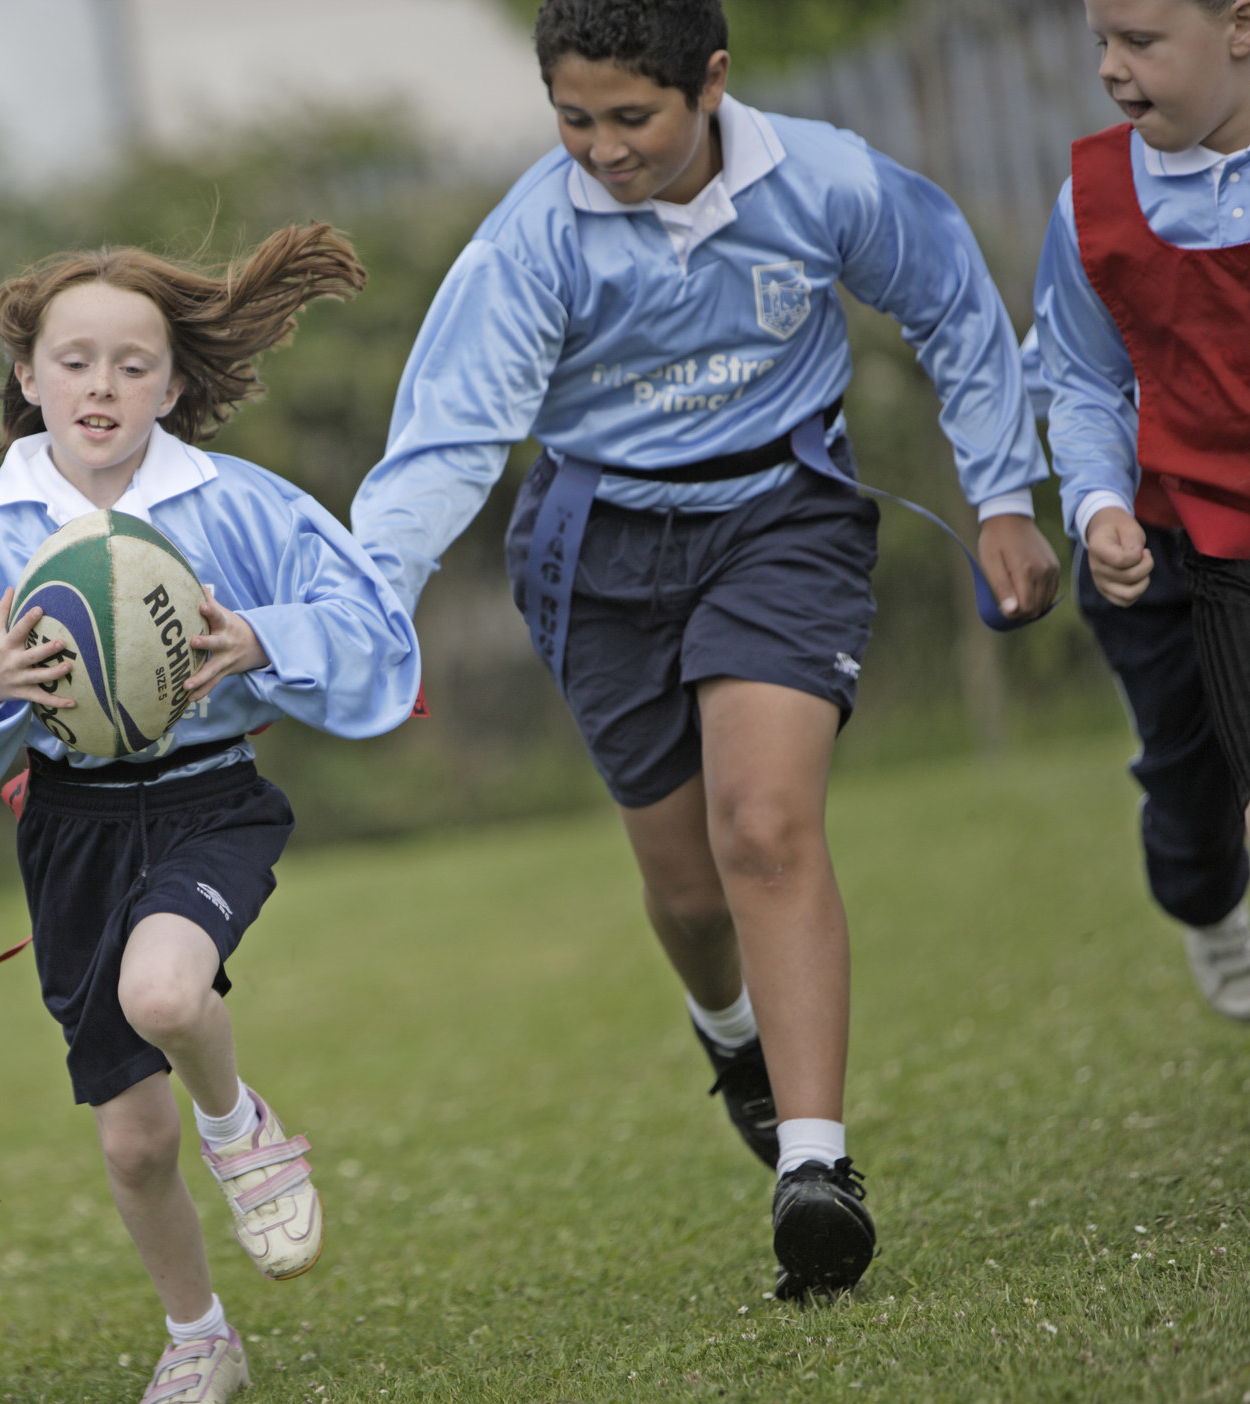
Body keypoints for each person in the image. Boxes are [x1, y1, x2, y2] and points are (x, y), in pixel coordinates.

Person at [348, 0, 1059, 1300]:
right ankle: (729, 1035)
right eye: (575, 120)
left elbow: (954, 301)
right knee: (686, 894)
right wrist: (362, 605)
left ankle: (814, 1167)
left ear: (711, 84)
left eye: (633, 118)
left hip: (780, 518)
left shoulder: (828, 179)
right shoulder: (532, 241)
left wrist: (1002, 495)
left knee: (765, 828)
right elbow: (447, 440)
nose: (604, 149)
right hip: (598, 548)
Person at [0, 225, 419, 1404]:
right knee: (130, 1143)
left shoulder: (239, 505)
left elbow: (375, 631)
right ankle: (200, 1335)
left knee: (164, 994)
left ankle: (241, 1125)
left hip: (210, 802)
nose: (100, 386)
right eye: (74, 361)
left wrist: (265, 638)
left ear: (172, 383)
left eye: (130, 363)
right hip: (72, 827)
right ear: (28, 378)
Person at [1034, 0, 1250, 993]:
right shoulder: (1092, 201)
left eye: (1143, 42)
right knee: (1193, 796)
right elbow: (1079, 380)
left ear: (1240, 26)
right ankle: (1207, 895)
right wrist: (1097, 504)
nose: (1113, 69)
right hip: (1164, 550)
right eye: (1101, 44)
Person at [1020, 330, 1250, 1017]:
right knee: (1188, 785)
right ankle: (1205, 902)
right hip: (1142, 541)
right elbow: (1050, 375)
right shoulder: (1097, 231)